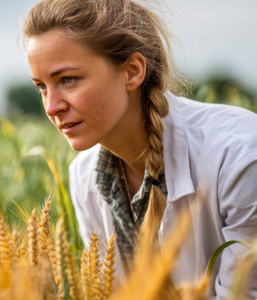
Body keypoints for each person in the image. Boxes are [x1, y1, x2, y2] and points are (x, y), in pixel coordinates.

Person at [23, 0, 257, 298]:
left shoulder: (239, 155)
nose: (52, 106)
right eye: (41, 86)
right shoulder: (83, 176)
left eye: (67, 79)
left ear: (132, 71)